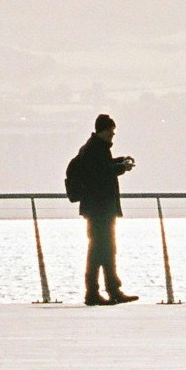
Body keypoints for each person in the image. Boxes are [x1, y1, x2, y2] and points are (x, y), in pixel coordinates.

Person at [64, 112, 135, 304]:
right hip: (99, 209)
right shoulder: (95, 150)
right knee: (99, 251)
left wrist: (120, 161)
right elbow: (101, 173)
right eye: (111, 131)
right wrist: (122, 167)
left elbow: (103, 167)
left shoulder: (95, 148)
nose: (113, 135)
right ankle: (95, 293)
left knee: (105, 249)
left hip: (99, 208)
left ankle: (110, 290)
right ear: (103, 131)